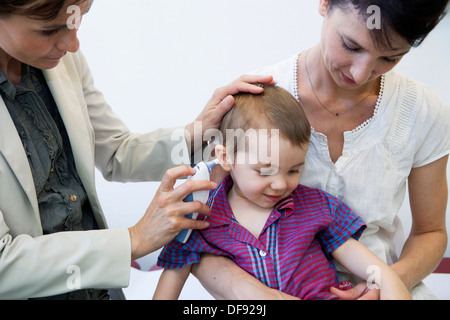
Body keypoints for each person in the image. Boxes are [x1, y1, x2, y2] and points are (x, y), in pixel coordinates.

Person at [0, 0, 273, 299]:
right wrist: (135, 239)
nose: (73, 44)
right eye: (50, 30)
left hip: (100, 285)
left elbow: (116, 151)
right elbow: (5, 265)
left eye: (76, 20)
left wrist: (197, 132)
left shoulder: (61, 61)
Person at [192, 0, 450, 300]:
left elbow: (430, 232)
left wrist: (385, 283)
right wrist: (255, 293)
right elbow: (199, 229)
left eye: (390, 58)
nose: (361, 72)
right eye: (351, 46)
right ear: (325, 3)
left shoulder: (422, 110)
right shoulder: (254, 103)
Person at [152, 85, 411, 300]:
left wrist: (379, 286)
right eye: (265, 171)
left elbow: (375, 269)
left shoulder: (314, 207)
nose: (280, 185)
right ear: (225, 157)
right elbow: (173, 275)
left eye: (293, 171)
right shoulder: (200, 217)